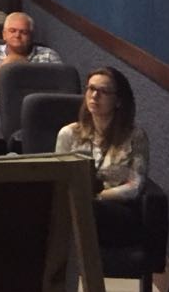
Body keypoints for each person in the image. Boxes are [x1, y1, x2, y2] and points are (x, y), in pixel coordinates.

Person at [55, 67, 150, 245]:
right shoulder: (68, 134)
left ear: (118, 101)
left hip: (116, 210)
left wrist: (97, 196)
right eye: (91, 88)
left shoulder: (135, 137)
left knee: (87, 211)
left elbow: (136, 186)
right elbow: (59, 180)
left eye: (103, 91)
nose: (94, 96)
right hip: (75, 206)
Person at [0, 12, 62, 117]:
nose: (17, 35)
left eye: (24, 32)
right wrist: (6, 65)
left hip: (41, 114)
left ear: (31, 36)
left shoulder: (49, 55)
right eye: (12, 31)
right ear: (4, 34)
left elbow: (61, 91)